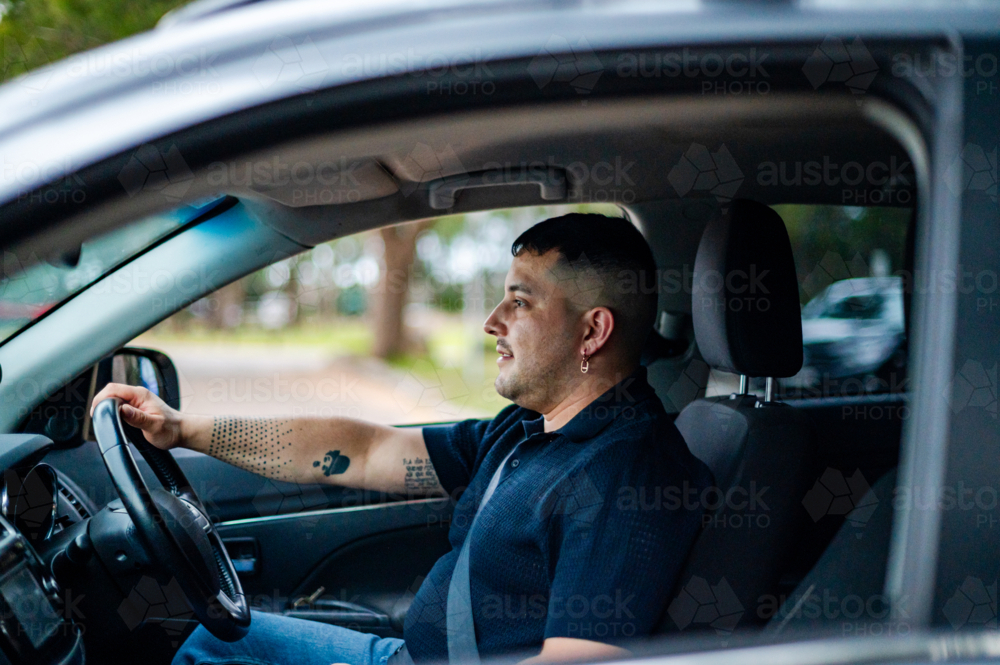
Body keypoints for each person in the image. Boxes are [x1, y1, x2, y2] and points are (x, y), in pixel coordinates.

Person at [92, 213, 713, 665]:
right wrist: (180, 429)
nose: (491, 323)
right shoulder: (531, 428)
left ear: (592, 331)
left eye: (519, 303)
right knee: (212, 643)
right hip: (406, 654)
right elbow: (366, 451)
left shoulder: (626, 476)